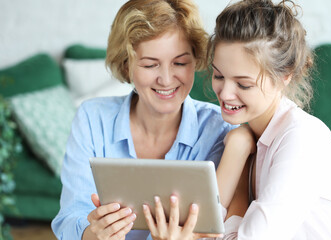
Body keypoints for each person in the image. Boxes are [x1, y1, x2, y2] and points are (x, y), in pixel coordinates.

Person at [144, 0, 331, 239]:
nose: (225, 94)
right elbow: (203, 226)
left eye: (243, 84)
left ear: (283, 77)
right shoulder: (241, 135)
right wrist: (237, 150)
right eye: (218, 75)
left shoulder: (301, 139)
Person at [51, 0, 234, 239]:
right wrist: (90, 234)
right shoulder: (92, 118)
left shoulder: (218, 129)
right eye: (150, 65)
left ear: (195, 59)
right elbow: (69, 217)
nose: (167, 80)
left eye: (180, 63)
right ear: (127, 67)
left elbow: (220, 229)